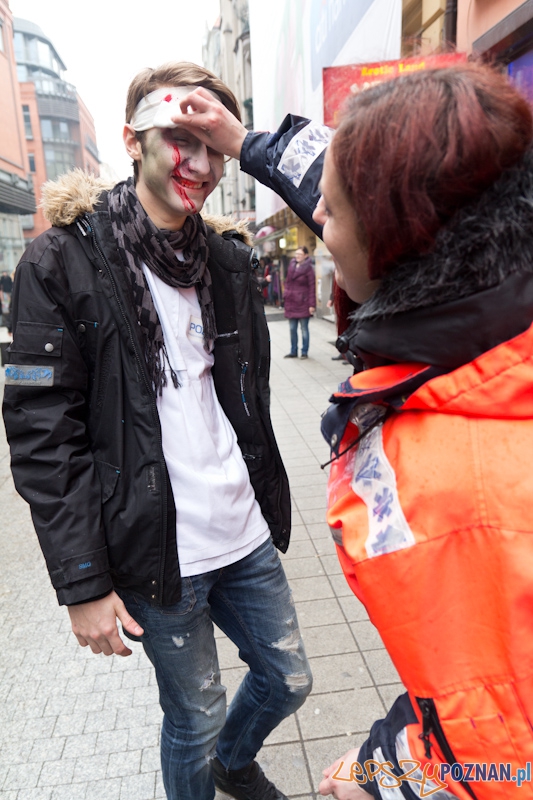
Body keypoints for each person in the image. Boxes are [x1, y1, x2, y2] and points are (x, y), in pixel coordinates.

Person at [170, 62, 533, 799]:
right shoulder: (479, 262)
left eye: (330, 216)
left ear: (397, 235)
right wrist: (247, 144)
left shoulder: (463, 493)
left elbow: (505, 753)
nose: (318, 229)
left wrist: (383, 777)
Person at [2, 62, 312, 800]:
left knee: (289, 678)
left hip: (240, 530)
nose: (199, 165)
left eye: (215, 145)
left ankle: (233, 766)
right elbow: (43, 431)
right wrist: (82, 581)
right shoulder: (61, 259)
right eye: (181, 138)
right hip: (152, 550)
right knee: (195, 712)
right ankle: (209, 766)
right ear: (131, 140)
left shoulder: (229, 258)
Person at [282, 246, 316, 359]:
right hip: (291, 302)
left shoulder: (309, 268)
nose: (297, 256)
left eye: (300, 254)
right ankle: (293, 351)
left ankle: (304, 351)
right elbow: (287, 283)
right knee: (292, 329)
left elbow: (312, 287)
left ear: (306, 256)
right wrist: (285, 295)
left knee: (304, 329)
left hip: (303, 302)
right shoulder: (291, 265)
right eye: (296, 254)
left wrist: (312, 304)